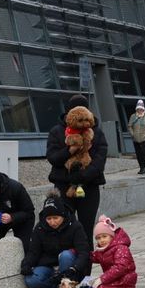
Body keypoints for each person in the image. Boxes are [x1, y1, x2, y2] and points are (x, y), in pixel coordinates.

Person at [46, 94, 108, 232]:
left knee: (87, 227)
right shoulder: (57, 131)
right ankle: (67, 254)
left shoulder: (96, 133)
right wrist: (70, 150)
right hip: (63, 185)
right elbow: (53, 157)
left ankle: (87, 253)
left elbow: (100, 160)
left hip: (89, 186)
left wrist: (83, 176)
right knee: (64, 226)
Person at [20, 196, 91, 288]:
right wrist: (26, 264)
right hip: (49, 266)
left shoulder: (75, 226)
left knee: (65, 255)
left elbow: (84, 252)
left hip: (71, 267)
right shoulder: (39, 228)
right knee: (31, 279)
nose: (52, 222)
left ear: (62, 215)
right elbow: (33, 252)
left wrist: (75, 268)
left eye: (56, 218)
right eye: (49, 219)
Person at [87, 215, 137, 288]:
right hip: (115, 281)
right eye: (98, 238)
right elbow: (94, 257)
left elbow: (120, 267)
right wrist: (79, 252)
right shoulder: (105, 249)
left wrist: (102, 279)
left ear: (112, 236)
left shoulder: (121, 248)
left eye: (104, 236)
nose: (101, 240)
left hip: (124, 282)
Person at [129, 100, 145, 175]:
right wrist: (132, 134)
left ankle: (143, 168)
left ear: (143, 109)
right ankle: (140, 167)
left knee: (143, 152)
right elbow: (129, 126)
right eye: (138, 109)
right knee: (138, 153)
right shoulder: (133, 116)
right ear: (136, 109)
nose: (139, 110)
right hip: (135, 138)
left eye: (141, 109)